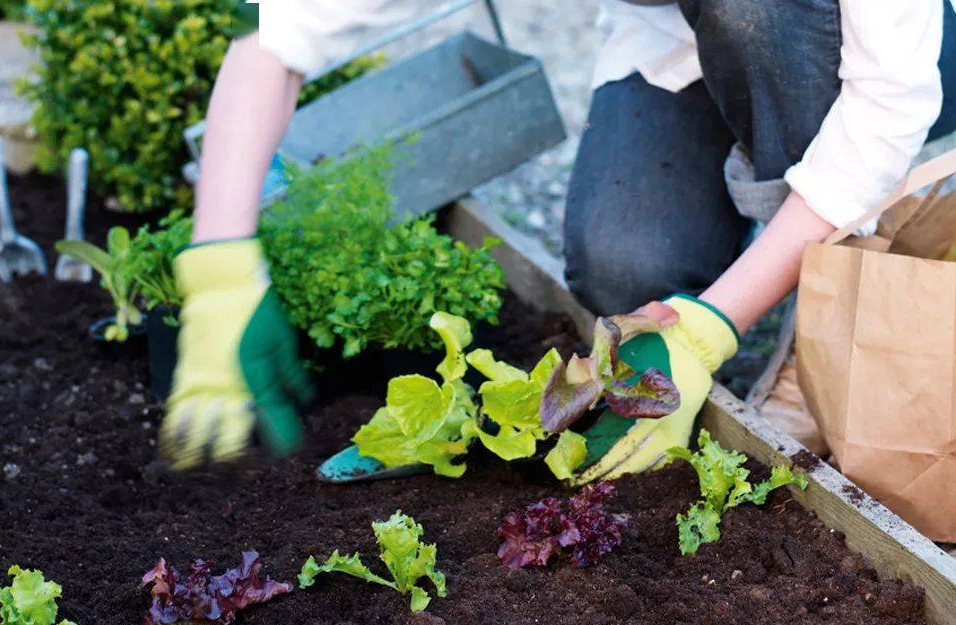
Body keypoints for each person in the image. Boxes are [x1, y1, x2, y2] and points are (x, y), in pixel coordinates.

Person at [160, 0, 956, 480]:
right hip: (678, 40)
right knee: (622, 263)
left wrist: (718, 322)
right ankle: (765, 227)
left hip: (857, 52)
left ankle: (822, 291)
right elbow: (282, 29)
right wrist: (221, 261)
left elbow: (889, 101)